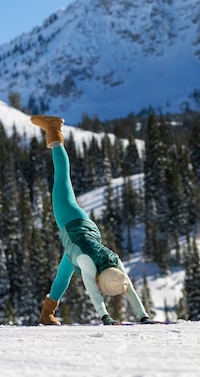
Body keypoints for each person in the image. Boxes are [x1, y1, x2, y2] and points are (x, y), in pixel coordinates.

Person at [31, 115, 154, 325]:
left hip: (88, 233)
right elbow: (91, 290)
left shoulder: (114, 262)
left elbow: (129, 289)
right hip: (71, 220)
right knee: (62, 177)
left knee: (64, 273)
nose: (100, 289)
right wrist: (104, 316)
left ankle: (47, 313)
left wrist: (144, 316)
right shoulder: (88, 265)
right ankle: (54, 132)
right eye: (102, 287)